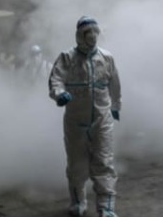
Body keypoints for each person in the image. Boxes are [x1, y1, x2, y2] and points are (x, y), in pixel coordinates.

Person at [49, 16, 122, 217]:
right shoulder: (67, 57)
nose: (92, 36)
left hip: (102, 120)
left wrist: (116, 105)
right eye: (87, 32)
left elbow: (114, 83)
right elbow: (56, 80)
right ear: (79, 35)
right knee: (77, 164)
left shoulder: (106, 57)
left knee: (105, 163)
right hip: (76, 121)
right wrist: (59, 94)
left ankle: (106, 207)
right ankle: (78, 202)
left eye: (94, 32)